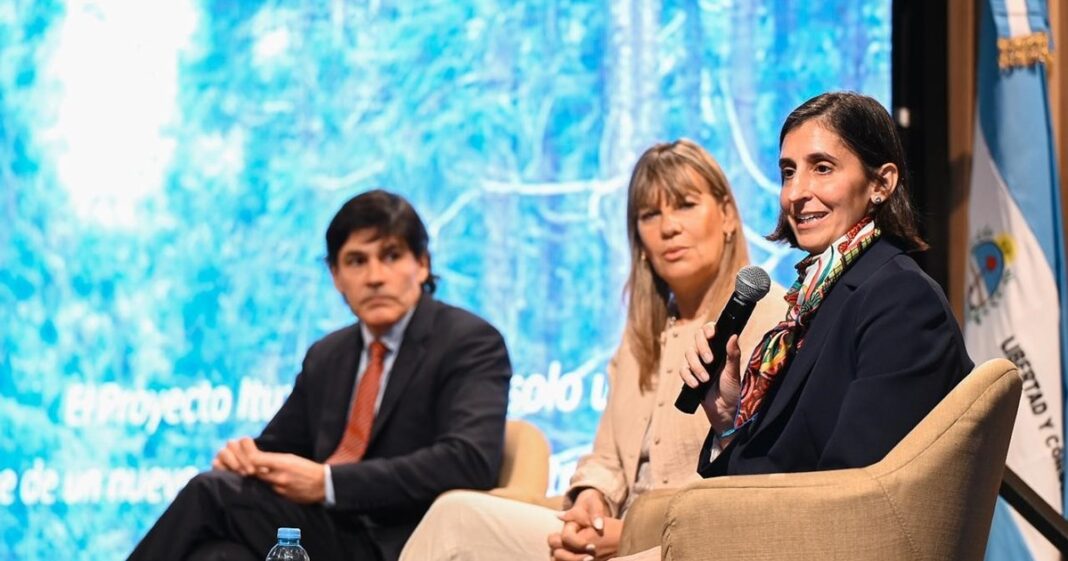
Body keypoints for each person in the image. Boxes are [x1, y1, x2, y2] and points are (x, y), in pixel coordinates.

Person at [398, 139, 785, 561]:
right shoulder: (642, 335)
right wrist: (591, 503)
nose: (668, 227)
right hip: (613, 532)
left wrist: (632, 533)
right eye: (650, 214)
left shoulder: (769, 317)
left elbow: (759, 478)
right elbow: (606, 458)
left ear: (727, 214)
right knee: (455, 515)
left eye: (685, 205)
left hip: (693, 541)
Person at [128, 190, 512, 561]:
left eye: (391, 256)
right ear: (335, 275)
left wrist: (327, 483)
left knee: (211, 493)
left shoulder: (468, 341)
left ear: (422, 264)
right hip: (324, 533)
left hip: (401, 541)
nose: (375, 276)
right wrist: (247, 458)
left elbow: (468, 460)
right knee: (218, 555)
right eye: (357, 261)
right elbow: (281, 447)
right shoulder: (328, 354)